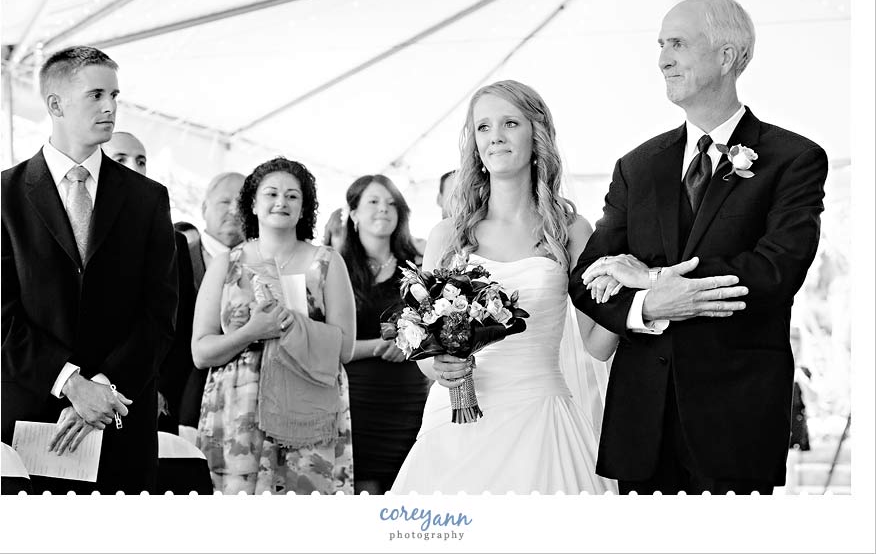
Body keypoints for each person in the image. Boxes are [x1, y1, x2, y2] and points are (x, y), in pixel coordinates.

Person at [570, 0, 828, 495]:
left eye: (678, 43)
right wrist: (645, 308)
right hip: (642, 424)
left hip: (737, 422)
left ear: (727, 56)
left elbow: (777, 270)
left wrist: (652, 280)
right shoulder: (637, 167)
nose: (662, 58)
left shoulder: (794, 159)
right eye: (661, 44)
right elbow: (588, 277)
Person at [392, 80, 647, 495]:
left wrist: (634, 296)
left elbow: (597, 345)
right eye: (483, 127)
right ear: (474, 144)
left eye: (510, 123)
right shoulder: (448, 235)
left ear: (536, 134)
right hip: (455, 422)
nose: (496, 137)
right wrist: (439, 368)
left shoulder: (569, 230)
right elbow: (423, 347)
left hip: (542, 417)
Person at [1, 46, 178, 494]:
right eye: (96, 94)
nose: (110, 107)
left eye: (115, 95)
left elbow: (160, 312)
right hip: (32, 420)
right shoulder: (0, 196)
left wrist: (101, 388)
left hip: (121, 419)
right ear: (55, 104)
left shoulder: (148, 199)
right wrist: (71, 384)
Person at [191, 157, 356, 494]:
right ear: (252, 203)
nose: (281, 201)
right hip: (237, 410)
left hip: (309, 404)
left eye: (293, 196)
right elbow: (200, 352)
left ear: (304, 208)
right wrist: (253, 331)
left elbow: (346, 348)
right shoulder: (226, 263)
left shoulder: (326, 262)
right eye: (271, 193)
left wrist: (291, 325)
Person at [340, 175, 430, 494]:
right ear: (353, 214)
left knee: (409, 490)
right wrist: (381, 345)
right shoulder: (336, 268)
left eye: (392, 203)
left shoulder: (418, 267)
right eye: (373, 202)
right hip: (357, 399)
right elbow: (328, 342)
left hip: (409, 397)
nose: (384, 209)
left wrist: (410, 343)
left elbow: (438, 328)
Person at [102, 131, 196, 436]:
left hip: (147, 395)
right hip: (79, 392)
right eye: (121, 158)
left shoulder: (174, 241)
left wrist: (162, 390)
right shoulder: (76, 231)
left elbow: (179, 326)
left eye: (142, 161)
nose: (135, 167)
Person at [176, 171, 245, 440]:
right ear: (204, 207)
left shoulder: (260, 265)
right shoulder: (174, 253)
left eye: (242, 203)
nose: (234, 210)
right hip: (174, 400)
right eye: (224, 202)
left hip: (237, 403)